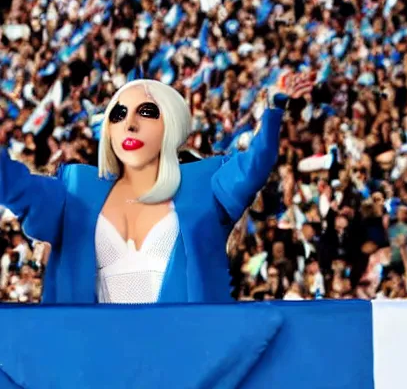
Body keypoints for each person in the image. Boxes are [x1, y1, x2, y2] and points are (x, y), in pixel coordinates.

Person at [0, 77, 311, 304]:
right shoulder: (76, 189)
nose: (129, 124)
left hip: (181, 366)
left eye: (146, 111)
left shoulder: (205, 182)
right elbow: (15, 186)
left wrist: (273, 109)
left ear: (172, 123)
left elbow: (254, 165)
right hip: (94, 365)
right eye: (118, 115)